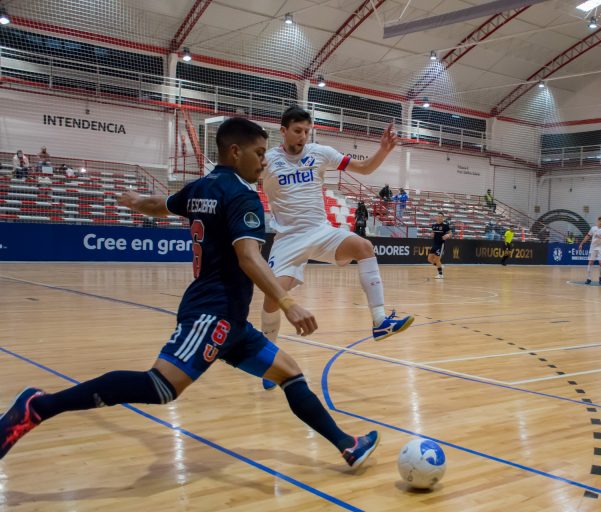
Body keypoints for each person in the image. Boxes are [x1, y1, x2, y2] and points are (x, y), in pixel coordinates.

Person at [0, 117, 379, 469]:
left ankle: (347, 445)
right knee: (161, 387)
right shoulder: (242, 197)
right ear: (236, 152)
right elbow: (249, 257)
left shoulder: (201, 187)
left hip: (231, 319)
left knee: (290, 374)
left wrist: (135, 203)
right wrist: (288, 302)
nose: (264, 162)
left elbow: (160, 206)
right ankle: (39, 406)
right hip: (211, 314)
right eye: (259, 153)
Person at [259, 106, 413, 388]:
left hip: (320, 231)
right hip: (288, 239)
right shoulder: (267, 160)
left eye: (307, 131)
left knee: (365, 246)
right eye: (297, 131)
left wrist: (384, 150)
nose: (303, 136)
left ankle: (379, 320)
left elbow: (364, 168)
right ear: (283, 131)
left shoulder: (320, 152)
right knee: (272, 297)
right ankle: (268, 361)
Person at [578, 216, 601, 285]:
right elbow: (587, 236)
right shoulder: (593, 228)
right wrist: (581, 244)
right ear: (597, 221)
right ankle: (589, 278)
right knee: (590, 262)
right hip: (593, 247)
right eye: (600, 220)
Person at [427, 212, 452, 279]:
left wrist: (448, 235)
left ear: (443, 218)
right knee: (429, 259)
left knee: (437, 260)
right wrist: (431, 234)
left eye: (441, 216)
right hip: (434, 244)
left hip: (440, 245)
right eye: (438, 216)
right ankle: (440, 266)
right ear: (436, 217)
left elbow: (450, 234)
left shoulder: (445, 226)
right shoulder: (434, 225)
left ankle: (440, 274)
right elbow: (432, 233)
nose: (440, 217)